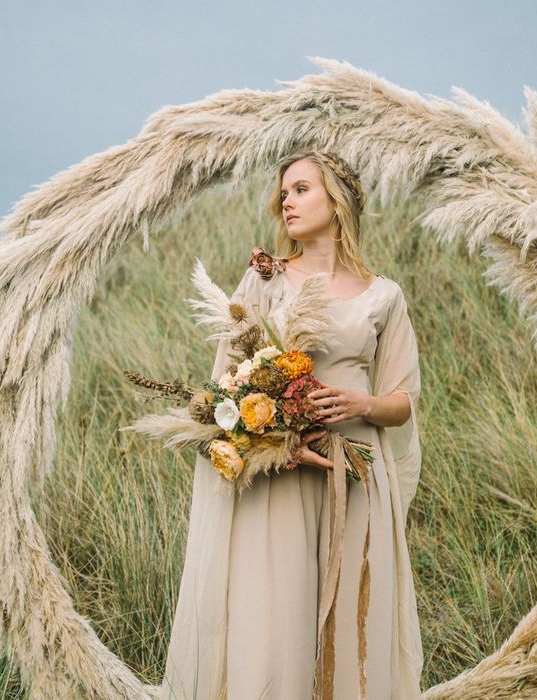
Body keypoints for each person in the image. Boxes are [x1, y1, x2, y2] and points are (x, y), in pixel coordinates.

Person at [160, 151, 423, 699]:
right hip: (277, 473)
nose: (287, 200)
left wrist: (361, 403)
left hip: (354, 473)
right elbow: (225, 392)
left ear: (337, 200)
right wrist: (277, 442)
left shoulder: (384, 295)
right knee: (272, 620)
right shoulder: (266, 282)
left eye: (302, 189)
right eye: (284, 193)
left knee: (352, 618)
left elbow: (402, 401)